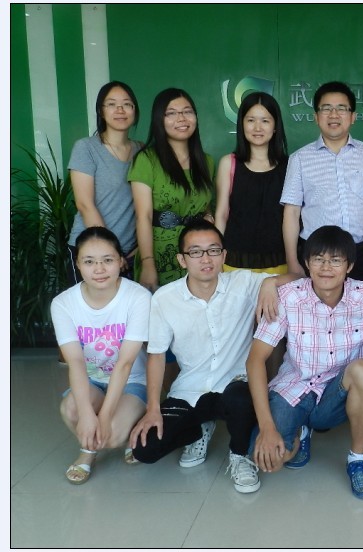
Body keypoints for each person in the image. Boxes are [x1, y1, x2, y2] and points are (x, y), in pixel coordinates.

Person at [128, 220, 298, 494]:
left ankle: (239, 455)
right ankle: (199, 429)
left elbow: (298, 277)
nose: (206, 259)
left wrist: (271, 282)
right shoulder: (164, 298)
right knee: (144, 448)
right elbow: (156, 356)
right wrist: (152, 409)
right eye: (195, 252)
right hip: (190, 389)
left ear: (224, 255)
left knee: (241, 399)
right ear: (182, 260)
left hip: (235, 385)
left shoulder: (243, 283)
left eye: (213, 250)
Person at [247, 225, 363, 499]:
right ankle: (301, 431)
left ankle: (357, 460)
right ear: (307, 263)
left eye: (336, 260)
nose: (326, 267)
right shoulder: (289, 296)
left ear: (349, 266)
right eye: (318, 259)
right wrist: (267, 428)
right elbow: (255, 360)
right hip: (294, 388)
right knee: (271, 460)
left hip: (337, 394)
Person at [52, 226, 150, 484]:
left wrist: (104, 417)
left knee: (113, 434)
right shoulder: (63, 303)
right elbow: (75, 362)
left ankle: (128, 429)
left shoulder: (138, 297)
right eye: (89, 261)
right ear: (77, 264)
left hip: (131, 381)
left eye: (107, 260)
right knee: (71, 409)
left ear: (121, 261)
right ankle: (88, 452)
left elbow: (125, 363)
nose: (99, 269)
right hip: (92, 380)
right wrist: (87, 414)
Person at [281, 81, 363, 284]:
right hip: (317, 256)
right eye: (326, 108)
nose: (333, 115)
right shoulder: (299, 159)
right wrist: (292, 261)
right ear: (316, 117)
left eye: (341, 108)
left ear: (353, 117)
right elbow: (291, 213)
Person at [129, 88, 215, 293]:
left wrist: (208, 215)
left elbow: (203, 205)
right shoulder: (146, 160)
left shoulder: (206, 161)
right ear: (159, 120)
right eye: (171, 113)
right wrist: (148, 262)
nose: (181, 118)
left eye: (187, 111)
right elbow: (143, 216)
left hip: (197, 254)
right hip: (160, 253)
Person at [67, 81, 142, 283]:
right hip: (91, 252)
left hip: (130, 253)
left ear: (135, 110)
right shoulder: (86, 148)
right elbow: (84, 204)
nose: (120, 110)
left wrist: (138, 249)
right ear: (101, 111)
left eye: (127, 104)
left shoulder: (142, 151)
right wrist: (110, 251)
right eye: (111, 104)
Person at [215, 92, 289, 274]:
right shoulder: (228, 163)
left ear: (275, 126)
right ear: (242, 124)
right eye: (250, 120)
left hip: (279, 261)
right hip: (234, 260)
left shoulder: (290, 166)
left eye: (265, 120)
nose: (257, 127)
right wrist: (216, 254)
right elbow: (222, 214)